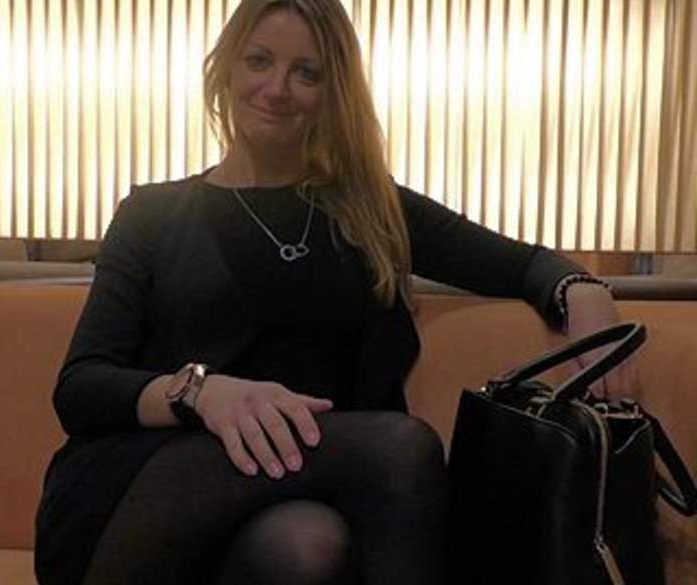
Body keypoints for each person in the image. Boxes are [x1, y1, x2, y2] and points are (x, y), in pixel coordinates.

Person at [34, 1, 636, 584]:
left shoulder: (370, 208)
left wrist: (582, 290)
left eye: (307, 73)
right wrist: (201, 392)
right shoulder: (153, 214)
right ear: (225, 69)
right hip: (153, 490)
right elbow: (81, 386)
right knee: (401, 447)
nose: (277, 88)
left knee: (309, 544)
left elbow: (521, 264)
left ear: (332, 92)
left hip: (297, 500)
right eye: (259, 61)